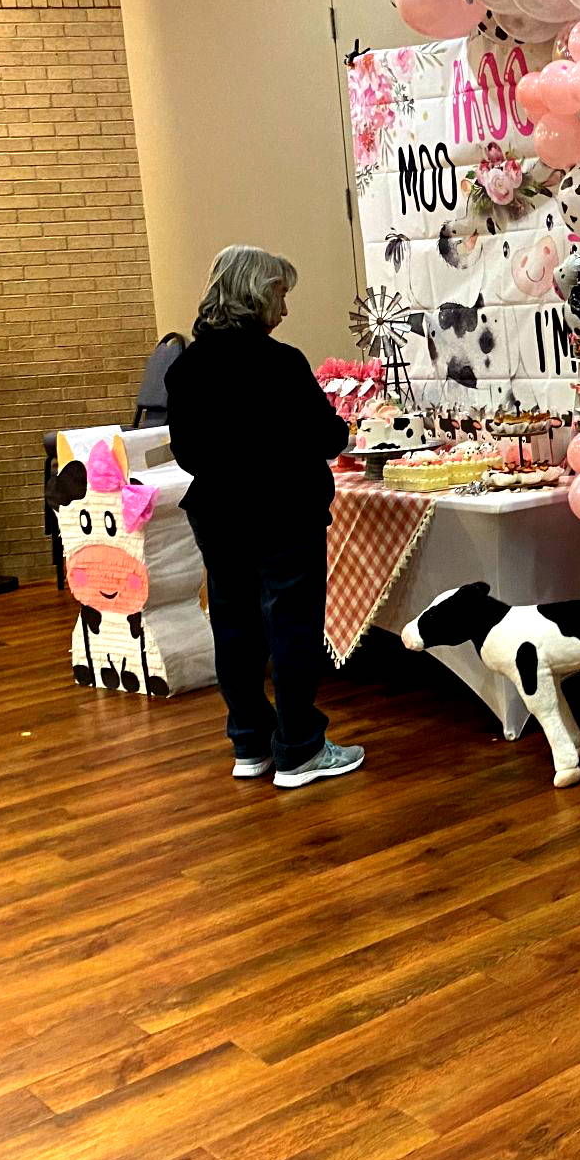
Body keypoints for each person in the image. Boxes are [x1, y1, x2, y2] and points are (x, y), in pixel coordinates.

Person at [166, 245, 364, 788]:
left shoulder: (187, 368)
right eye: (281, 294)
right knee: (292, 626)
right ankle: (300, 748)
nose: (286, 308)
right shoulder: (279, 362)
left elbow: (187, 454)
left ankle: (249, 743)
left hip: (219, 514)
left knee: (234, 626)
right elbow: (329, 436)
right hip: (284, 511)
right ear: (256, 294)